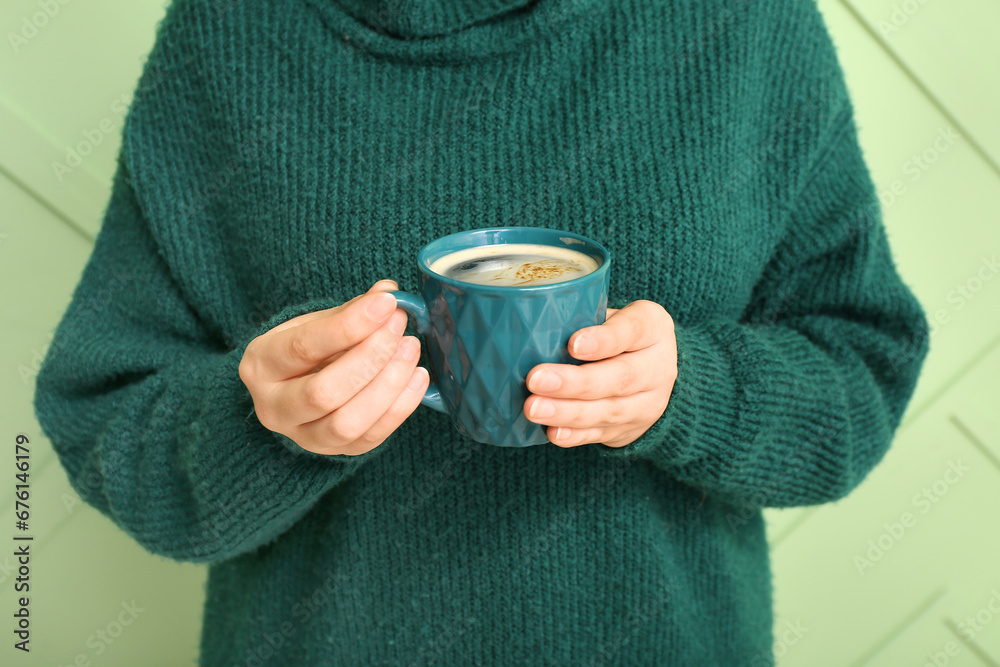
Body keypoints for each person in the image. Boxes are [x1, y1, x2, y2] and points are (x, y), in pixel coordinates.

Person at [34, 0, 929, 664]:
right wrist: (259, 421)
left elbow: (859, 369)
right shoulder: (223, 36)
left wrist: (690, 392)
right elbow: (108, 414)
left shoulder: (745, 26)